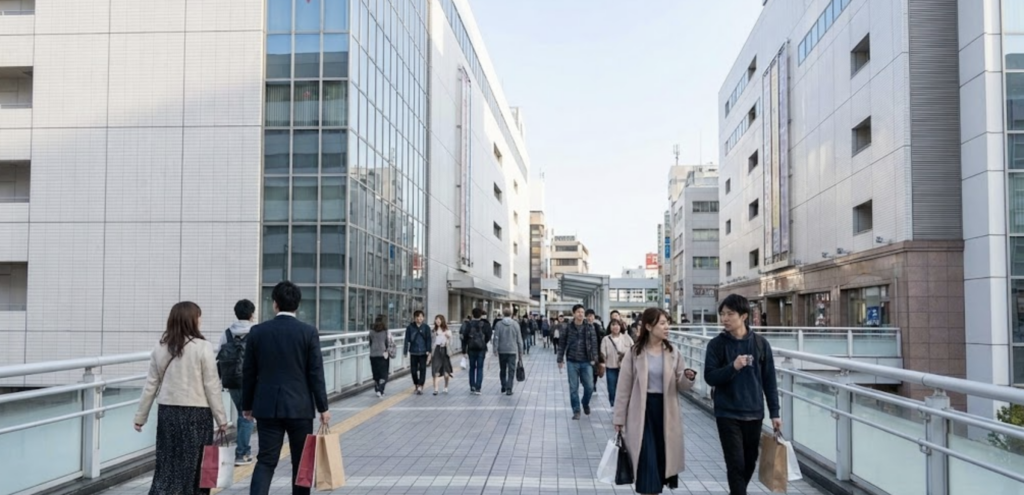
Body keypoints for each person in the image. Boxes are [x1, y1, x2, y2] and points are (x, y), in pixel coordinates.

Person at [242, 281, 330, 495]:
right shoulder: (308, 332)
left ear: (275, 304)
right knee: (302, 462)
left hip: (267, 407)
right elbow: (315, 373)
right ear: (297, 305)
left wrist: (247, 405)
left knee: (266, 460)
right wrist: (323, 408)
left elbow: (249, 372)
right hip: (299, 407)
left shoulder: (258, 332)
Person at [134, 302, 228, 495]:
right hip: (197, 414)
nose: (200, 320)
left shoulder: (160, 347)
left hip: (168, 413)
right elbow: (212, 386)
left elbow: (151, 385)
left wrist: (140, 418)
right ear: (192, 320)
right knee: (195, 466)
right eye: (199, 316)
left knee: (167, 464)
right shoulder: (203, 347)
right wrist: (221, 419)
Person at [612, 307, 697, 495]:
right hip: (641, 411)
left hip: (666, 412)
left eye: (668, 323)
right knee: (646, 458)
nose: (667, 327)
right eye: (663, 323)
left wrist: (688, 377)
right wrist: (619, 418)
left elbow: (681, 384)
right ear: (649, 326)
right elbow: (623, 388)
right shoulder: (635, 353)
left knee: (661, 458)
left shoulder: (673, 352)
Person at [704, 294, 782, 495]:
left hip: (754, 413)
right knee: (736, 464)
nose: (725, 319)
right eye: (722, 314)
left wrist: (775, 412)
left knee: (749, 463)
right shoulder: (716, 345)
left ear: (744, 316)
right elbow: (710, 377)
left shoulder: (760, 344)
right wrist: (733, 367)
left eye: (730, 314)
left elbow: (769, 380)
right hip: (727, 413)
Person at [214, 299, 256, 466]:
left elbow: (219, 355)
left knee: (241, 412)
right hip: (250, 379)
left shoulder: (227, 333)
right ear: (251, 314)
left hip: (231, 379)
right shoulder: (256, 331)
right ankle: (242, 453)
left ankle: (241, 448)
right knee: (247, 415)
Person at [557, 305, 598, 420]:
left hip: (586, 361)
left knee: (590, 386)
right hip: (572, 361)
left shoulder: (589, 327)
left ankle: (585, 403)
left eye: (582, 312)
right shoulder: (567, 327)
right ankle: (576, 410)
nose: (581, 314)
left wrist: (595, 359)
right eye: (578, 312)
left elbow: (594, 344)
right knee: (573, 388)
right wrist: (560, 359)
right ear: (574, 313)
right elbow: (562, 344)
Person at [600, 319, 634, 407]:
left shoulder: (626, 337)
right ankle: (613, 404)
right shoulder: (606, 339)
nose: (616, 327)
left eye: (617, 325)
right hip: (611, 367)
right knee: (611, 388)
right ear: (610, 327)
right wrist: (602, 363)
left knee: (624, 388)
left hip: (624, 367)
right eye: (613, 325)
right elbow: (603, 352)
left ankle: (621, 405)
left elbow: (633, 349)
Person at [492, 308, 524, 396]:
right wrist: (520, 351)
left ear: (503, 314)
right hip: (512, 350)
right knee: (511, 370)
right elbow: (519, 339)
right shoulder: (515, 324)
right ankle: (509, 388)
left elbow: (496, 337)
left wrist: (495, 349)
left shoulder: (499, 324)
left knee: (502, 369)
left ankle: (503, 385)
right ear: (511, 314)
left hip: (502, 350)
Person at [460, 307, 492, 395]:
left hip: (471, 348)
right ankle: (478, 387)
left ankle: (472, 386)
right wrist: (483, 342)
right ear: (481, 315)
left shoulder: (468, 324)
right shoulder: (485, 324)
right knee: (480, 368)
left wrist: (464, 350)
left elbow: (464, 337)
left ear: (472, 314)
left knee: (472, 367)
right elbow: (489, 335)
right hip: (481, 349)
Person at [404, 310, 432, 395]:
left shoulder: (426, 327)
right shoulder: (410, 327)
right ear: (414, 318)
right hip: (413, 351)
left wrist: (428, 350)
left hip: (423, 352)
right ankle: (416, 383)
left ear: (423, 318)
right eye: (417, 316)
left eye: (421, 316)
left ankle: (420, 385)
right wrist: (405, 351)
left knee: (423, 369)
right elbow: (406, 340)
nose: (419, 318)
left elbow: (428, 340)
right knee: (413, 370)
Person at [429, 315, 454, 395]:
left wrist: (448, 337)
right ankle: (436, 389)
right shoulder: (433, 331)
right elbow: (431, 342)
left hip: (445, 350)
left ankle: (446, 386)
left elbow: (451, 342)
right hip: (436, 351)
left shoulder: (447, 331)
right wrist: (429, 353)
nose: (438, 321)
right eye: (436, 319)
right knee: (435, 370)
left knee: (446, 372)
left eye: (439, 319)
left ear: (442, 320)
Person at [368, 314, 390, 398]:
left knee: (376, 373)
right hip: (383, 355)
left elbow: (370, 343)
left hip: (373, 354)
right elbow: (387, 343)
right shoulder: (385, 331)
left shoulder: (371, 332)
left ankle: (377, 388)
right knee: (384, 374)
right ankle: (381, 389)